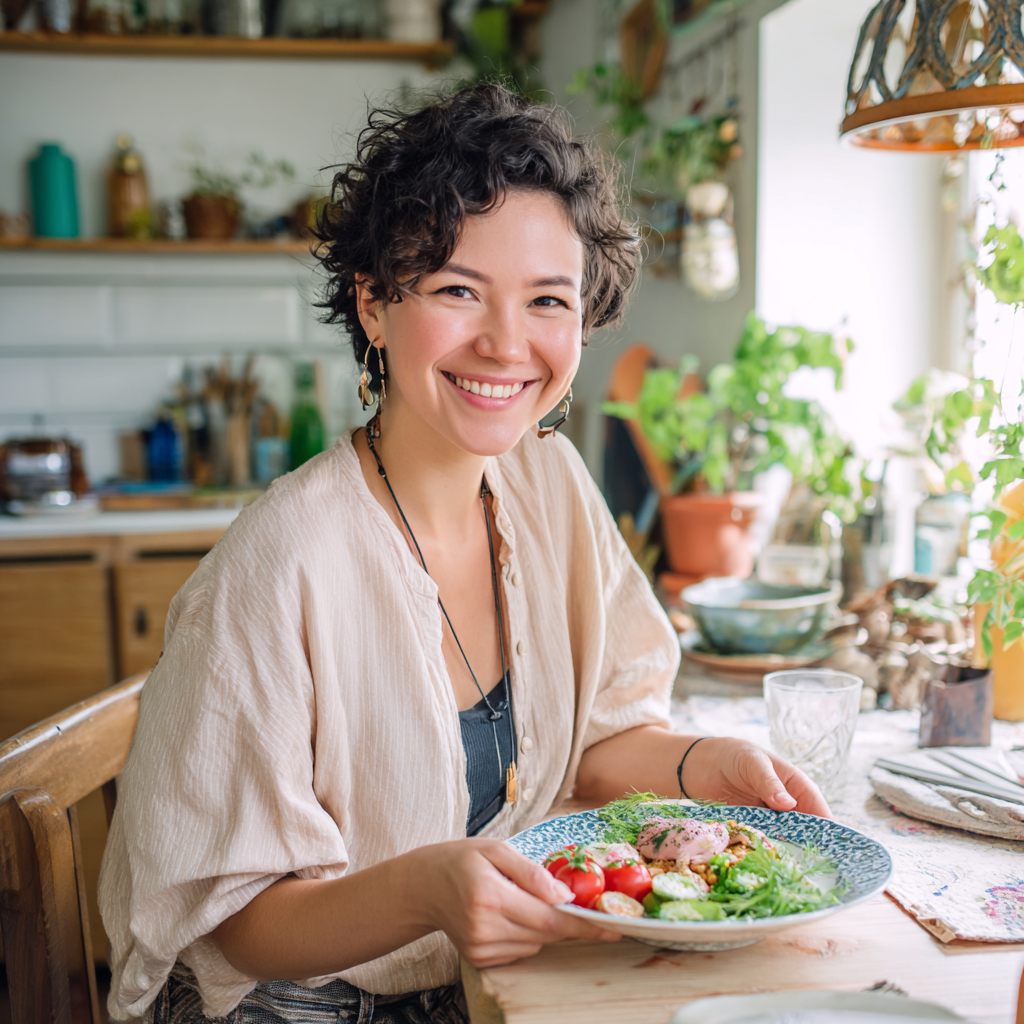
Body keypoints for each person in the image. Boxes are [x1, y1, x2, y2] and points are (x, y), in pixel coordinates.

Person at [98, 83, 829, 1024]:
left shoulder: (550, 485)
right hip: (300, 1005)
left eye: (547, 301)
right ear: (372, 303)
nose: (506, 344)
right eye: (456, 291)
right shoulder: (280, 562)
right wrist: (427, 890)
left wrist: (703, 764)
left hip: (488, 980)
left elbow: (597, 743)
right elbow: (235, 923)